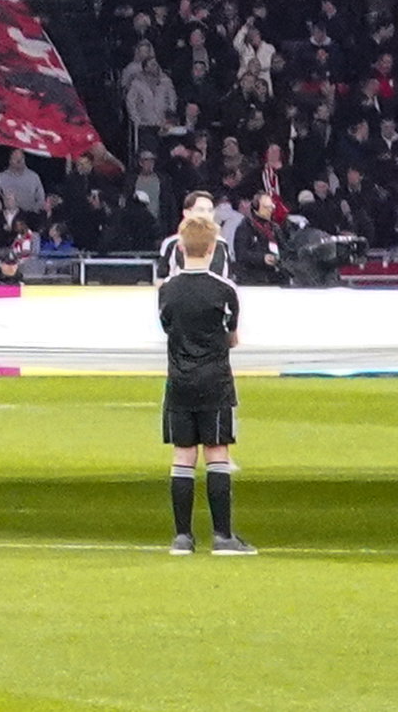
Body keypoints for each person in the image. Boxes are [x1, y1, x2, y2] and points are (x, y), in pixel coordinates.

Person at [157, 198, 250, 555]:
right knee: (217, 453)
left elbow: (167, 327)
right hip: (215, 381)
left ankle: (182, 537)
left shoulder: (167, 289)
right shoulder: (225, 290)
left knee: (183, 456)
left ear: (180, 247)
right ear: (212, 248)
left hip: (179, 380)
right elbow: (232, 336)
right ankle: (223, 536)